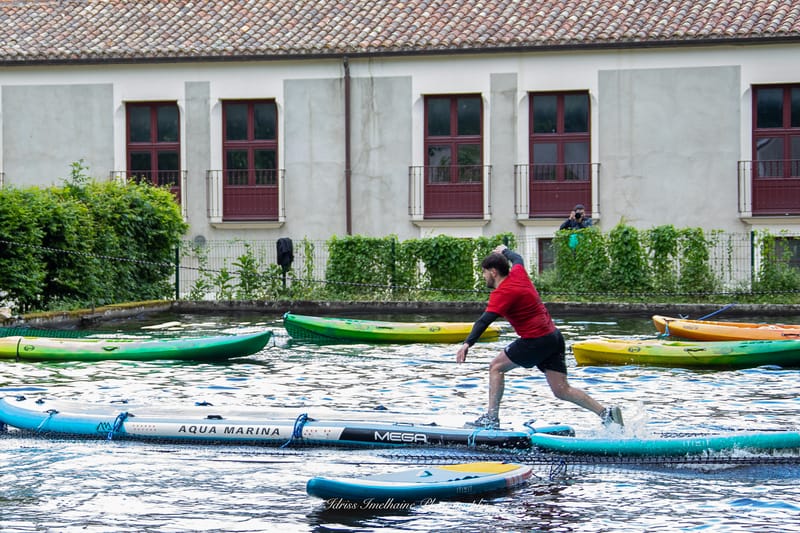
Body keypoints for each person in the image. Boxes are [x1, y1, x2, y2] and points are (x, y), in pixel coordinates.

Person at [456, 244, 622, 429]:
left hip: (536, 340)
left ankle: (491, 419)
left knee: (496, 367)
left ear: (493, 272)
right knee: (561, 389)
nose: (483, 276)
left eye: (484, 272)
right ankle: (606, 414)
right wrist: (504, 251)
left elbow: (483, 321)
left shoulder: (502, 293)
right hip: (554, 337)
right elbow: (518, 258)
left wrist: (467, 343)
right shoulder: (518, 274)